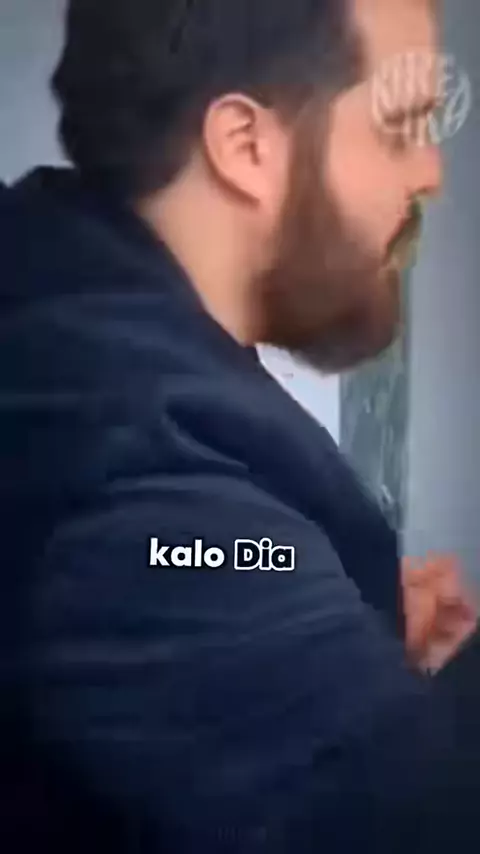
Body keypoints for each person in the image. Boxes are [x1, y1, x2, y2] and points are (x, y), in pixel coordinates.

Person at [1, 0, 480, 850]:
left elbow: (225, 572)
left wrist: (340, 618)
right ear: (247, 146)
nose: (432, 172)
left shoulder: (83, 327)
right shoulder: (121, 462)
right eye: (400, 126)